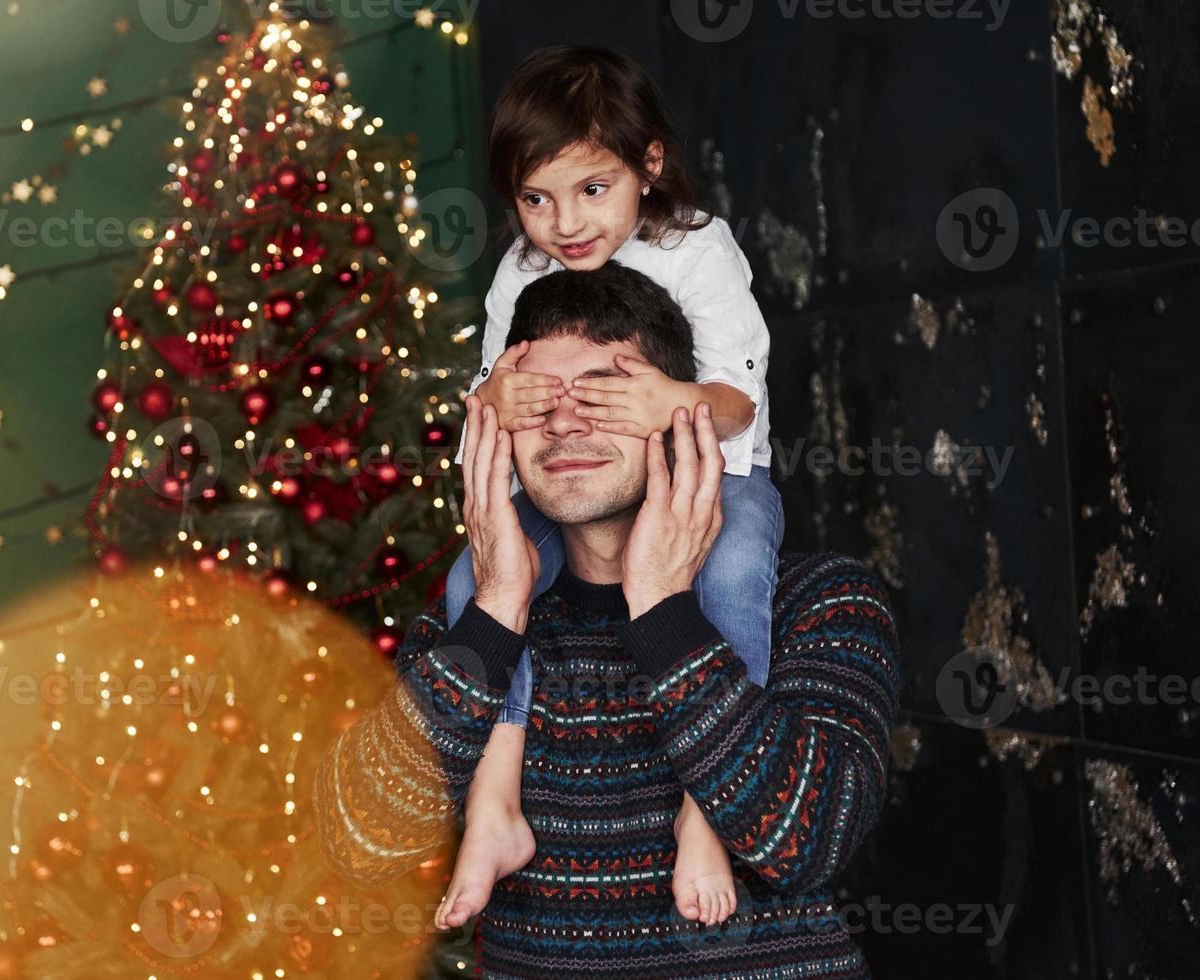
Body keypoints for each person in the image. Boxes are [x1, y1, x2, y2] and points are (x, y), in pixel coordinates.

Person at [313, 263, 898, 978]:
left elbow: (810, 838)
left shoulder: (818, 602)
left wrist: (662, 607)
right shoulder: (472, 627)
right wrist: (498, 609)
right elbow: (364, 842)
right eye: (534, 401)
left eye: (603, 392)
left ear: (685, 413)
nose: (564, 421)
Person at [441, 43, 782, 928]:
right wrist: (494, 395)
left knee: (736, 574)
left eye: (593, 189)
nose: (566, 224)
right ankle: (497, 804)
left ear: (649, 164)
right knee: (470, 580)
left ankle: (705, 814)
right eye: (535, 200)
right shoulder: (522, 270)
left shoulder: (695, 246)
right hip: (577, 497)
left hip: (715, 474)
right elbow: (488, 390)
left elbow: (739, 398)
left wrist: (673, 399)